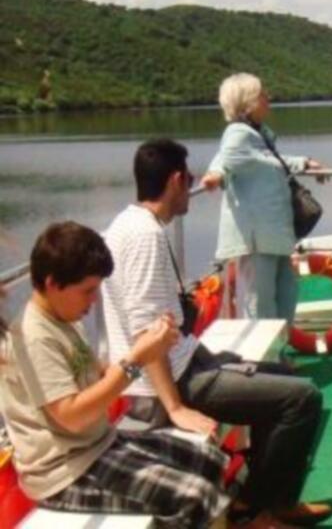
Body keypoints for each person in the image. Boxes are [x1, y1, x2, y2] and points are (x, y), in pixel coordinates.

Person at [101, 138, 330, 527]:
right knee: (302, 398)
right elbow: (144, 331)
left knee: (284, 378)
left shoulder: (131, 224)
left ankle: (261, 500)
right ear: (175, 180)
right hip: (177, 381)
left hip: (187, 361)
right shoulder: (144, 236)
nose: (191, 186)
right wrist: (175, 408)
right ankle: (265, 510)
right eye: (188, 178)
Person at [0, 222, 230, 528]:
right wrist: (137, 359)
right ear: (53, 284)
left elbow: (99, 374)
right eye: (88, 291)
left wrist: (152, 343)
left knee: (209, 460)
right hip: (65, 472)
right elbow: (71, 416)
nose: (94, 301)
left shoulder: (64, 317)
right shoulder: (34, 337)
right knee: (194, 496)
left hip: (96, 444)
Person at [201, 72, 324, 322]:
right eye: (261, 95)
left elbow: (267, 162)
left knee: (285, 293)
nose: (268, 98)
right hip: (257, 236)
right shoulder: (238, 132)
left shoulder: (257, 134)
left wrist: (303, 162)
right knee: (261, 301)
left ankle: (278, 355)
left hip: (273, 232)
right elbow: (228, 157)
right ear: (247, 103)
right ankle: (264, 360)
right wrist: (216, 173)